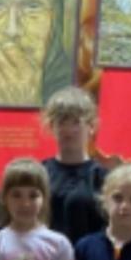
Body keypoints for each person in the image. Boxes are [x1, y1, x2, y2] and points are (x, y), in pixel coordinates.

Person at [42, 86, 107, 245]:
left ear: (91, 127)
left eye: (76, 122)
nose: (68, 130)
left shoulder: (104, 178)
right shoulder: (39, 174)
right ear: (52, 127)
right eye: (61, 122)